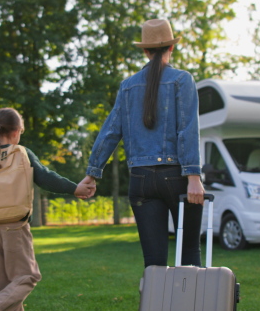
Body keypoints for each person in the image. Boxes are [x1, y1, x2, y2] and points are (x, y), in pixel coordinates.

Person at [80, 19, 205, 268]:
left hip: (140, 180)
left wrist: (92, 174)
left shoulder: (127, 87)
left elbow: (110, 132)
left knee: (154, 261)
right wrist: (193, 176)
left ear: (145, 51)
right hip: (176, 176)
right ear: (171, 48)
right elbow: (188, 129)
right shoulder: (182, 80)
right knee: (188, 251)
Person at [0, 107, 95, 311]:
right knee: (28, 276)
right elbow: (45, 177)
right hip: (14, 227)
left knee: (5, 290)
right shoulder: (22, 154)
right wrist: (74, 188)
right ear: (16, 132)